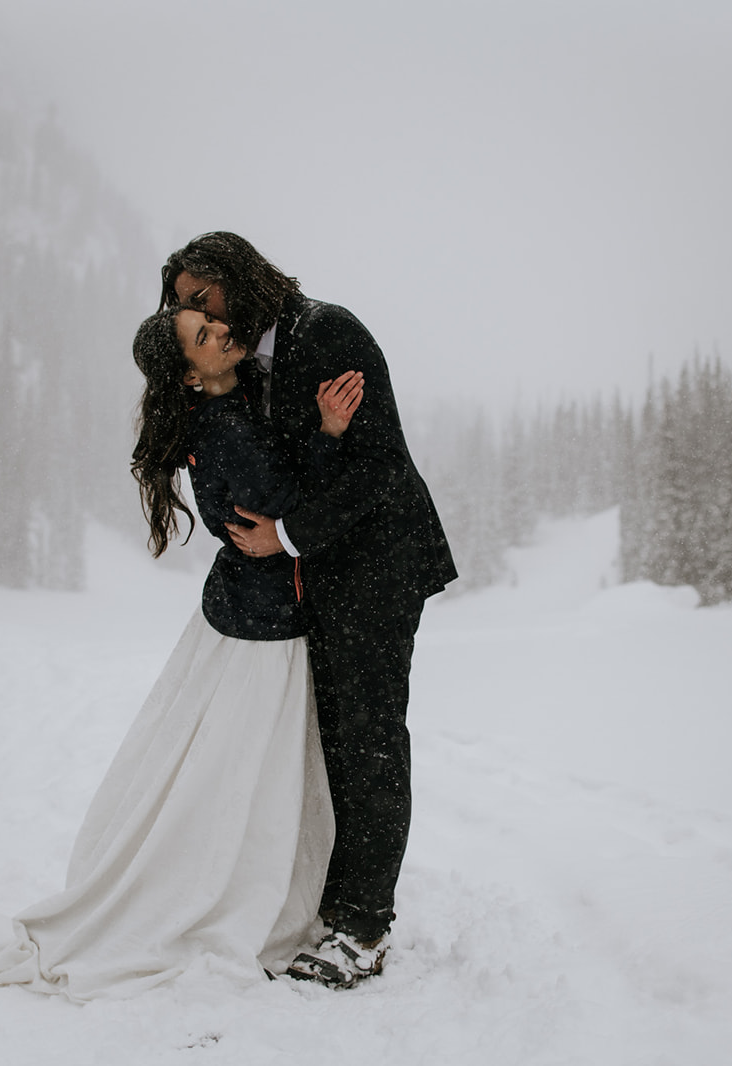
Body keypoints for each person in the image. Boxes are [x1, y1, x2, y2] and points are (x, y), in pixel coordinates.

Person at [0, 308, 367, 1002]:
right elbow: (294, 507)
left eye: (212, 319)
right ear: (191, 372)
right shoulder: (227, 432)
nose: (221, 329)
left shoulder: (229, 407)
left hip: (246, 614)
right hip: (261, 631)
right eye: (204, 335)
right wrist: (331, 432)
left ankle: (234, 879)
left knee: (228, 765)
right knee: (247, 770)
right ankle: (228, 891)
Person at [160, 232, 457, 988]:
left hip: (377, 567)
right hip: (319, 572)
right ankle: (329, 898)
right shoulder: (254, 355)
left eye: (202, 297)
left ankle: (362, 927)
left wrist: (286, 535)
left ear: (239, 279)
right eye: (185, 304)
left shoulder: (326, 331)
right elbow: (291, 460)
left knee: (369, 739)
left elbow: (379, 464)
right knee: (332, 740)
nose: (195, 311)